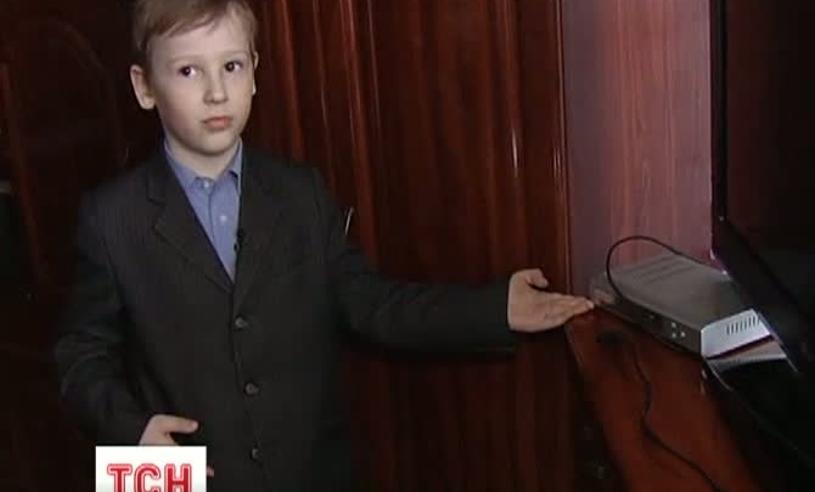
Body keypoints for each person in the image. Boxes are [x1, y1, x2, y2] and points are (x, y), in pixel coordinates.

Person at [54, 0, 595, 490]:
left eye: (232, 66)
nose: (216, 92)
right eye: (188, 71)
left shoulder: (301, 192)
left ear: (255, 73)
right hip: (180, 479)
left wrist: (495, 308)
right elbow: (81, 355)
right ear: (144, 86)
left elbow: (370, 302)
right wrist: (132, 432)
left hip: (310, 473)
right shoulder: (110, 217)